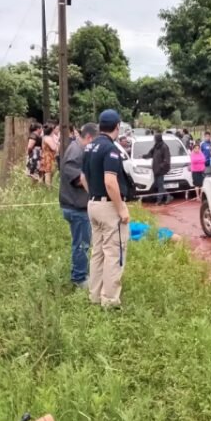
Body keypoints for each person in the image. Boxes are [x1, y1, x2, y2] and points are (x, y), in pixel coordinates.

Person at [81, 110, 131, 308]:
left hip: (93, 204)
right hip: (109, 207)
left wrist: (93, 196)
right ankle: (109, 300)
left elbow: (83, 177)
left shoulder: (89, 146)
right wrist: (121, 209)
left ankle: (95, 295)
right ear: (117, 126)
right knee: (113, 253)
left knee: (98, 252)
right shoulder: (110, 149)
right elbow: (110, 182)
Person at [60, 123, 96, 289]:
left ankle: (82, 273)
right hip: (75, 206)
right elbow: (75, 177)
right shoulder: (76, 151)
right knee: (81, 244)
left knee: (83, 242)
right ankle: (79, 278)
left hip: (77, 205)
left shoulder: (79, 149)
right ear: (88, 137)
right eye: (95, 142)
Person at [144, 133, 172, 205]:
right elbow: (150, 154)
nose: (154, 139)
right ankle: (168, 196)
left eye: (155, 138)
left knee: (160, 185)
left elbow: (167, 159)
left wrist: (161, 166)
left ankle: (159, 201)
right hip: (155, 169)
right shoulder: (156, 146)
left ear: (158, 138)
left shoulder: (164, 147)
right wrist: (144, 156)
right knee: (157, 185)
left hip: (161, 170)